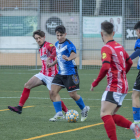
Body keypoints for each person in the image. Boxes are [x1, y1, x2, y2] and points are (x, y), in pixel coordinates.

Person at [90, 21, 140, 140]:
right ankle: (134, 127)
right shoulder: (119, 46)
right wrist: (122, 74)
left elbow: (105, 67)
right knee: (110, 114)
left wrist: (95, 82)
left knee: (105, 114)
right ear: (113, 32)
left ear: (101, 34)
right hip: (123, 85)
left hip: (115, 86)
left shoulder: (106, 48)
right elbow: (129, 62)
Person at [8, 30, 68, 115]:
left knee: (53, 96)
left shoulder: (48, 45)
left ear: (44, 37)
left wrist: (49, 58)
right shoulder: (40, 48)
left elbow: (55, 51)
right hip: (43, 74)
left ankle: (67, 111)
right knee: (27, 85)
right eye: (36, 39)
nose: (38, 40)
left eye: (40, 38)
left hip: (52, 76)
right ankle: (19, 107)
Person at [48, 25, 90, 122]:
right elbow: (58, 58)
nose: (59, 37)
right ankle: (59, 114)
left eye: (61, 35)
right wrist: (52, 63)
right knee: (52, 92)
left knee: (72, 94)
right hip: (60, 73)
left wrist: (68, 58)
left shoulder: (69, 44)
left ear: (65, 34)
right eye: (57, 35)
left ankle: (84, 109)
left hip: (71, 73)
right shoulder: (56, 44)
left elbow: (73, 54)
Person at [130, 21, 140, 125]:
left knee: (135, 95)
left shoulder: (139, 40)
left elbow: (138, 51)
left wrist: (126, 59)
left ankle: (137, 124)